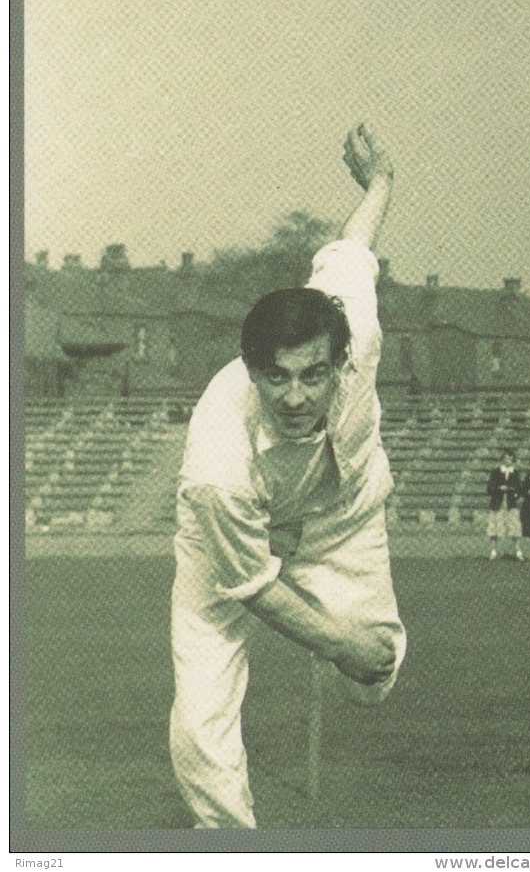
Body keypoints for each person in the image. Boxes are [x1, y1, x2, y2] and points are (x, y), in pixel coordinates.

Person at [169, 124, 407, 829]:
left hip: (345, 514)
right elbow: (253, 587)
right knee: (199, 721)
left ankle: (362, 654)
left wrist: (380, 182)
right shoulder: (218, 461)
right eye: (276, 377)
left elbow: (352, 248)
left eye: (312, 374)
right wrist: (330, 637)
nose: (296, 396)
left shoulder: (353, 327)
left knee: (376, 667)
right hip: (229, 543)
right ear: (251, 370)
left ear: (342, 362)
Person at [486, 450, 523, 561]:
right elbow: (489, 488)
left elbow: (519, 488)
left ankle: (518, 551)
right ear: (502, 459)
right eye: (506, 458)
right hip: (498, 503)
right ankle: (493, 551)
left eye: (510, 459)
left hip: (511, 503)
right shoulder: (495, 472)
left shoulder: (515, 473)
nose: (508, 461)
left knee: (514, 526)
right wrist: (499, 488)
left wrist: (512, 490)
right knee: (495, 526)